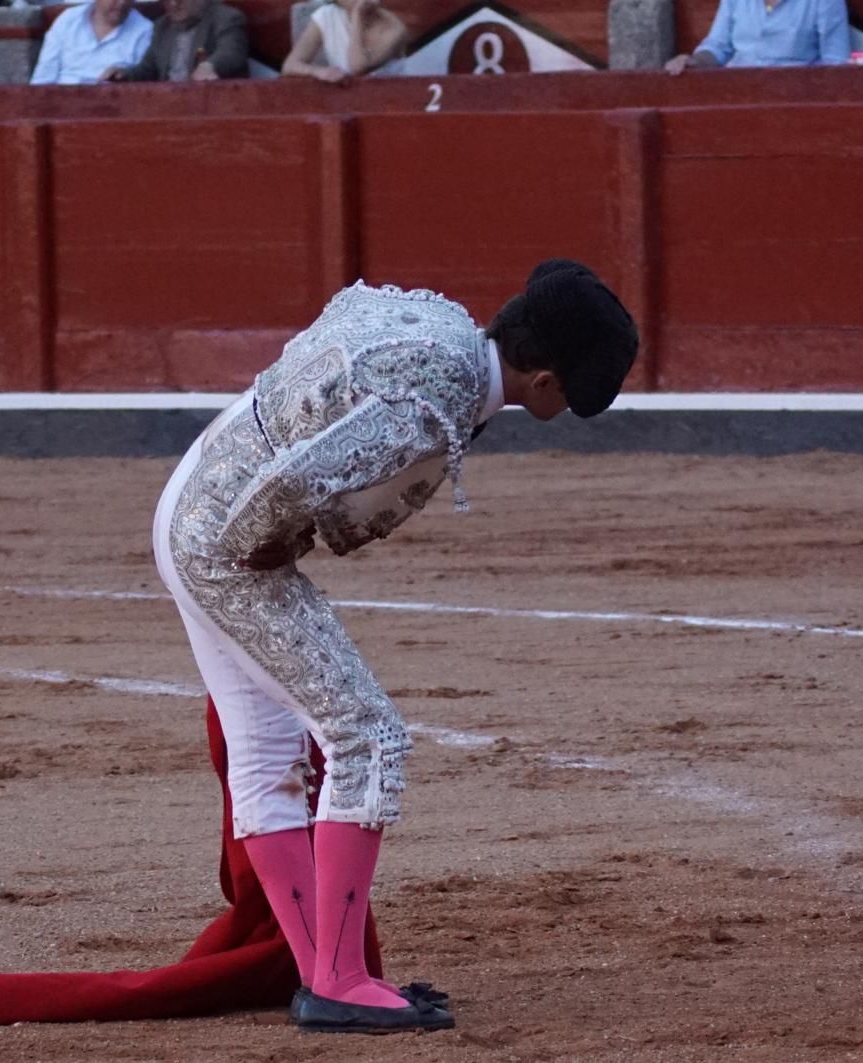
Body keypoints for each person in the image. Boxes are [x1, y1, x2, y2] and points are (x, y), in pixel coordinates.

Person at [151, 261, 639, 1033]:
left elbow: (336, 321)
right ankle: (339, 980)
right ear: (545, 382)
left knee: (267, 753)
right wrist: (256, 545)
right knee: (365, 734)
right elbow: (294, 480)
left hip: (196, 494)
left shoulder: (445, 329)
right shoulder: (434, 395)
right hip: (225, 539)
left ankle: (323, 971)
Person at [666, 0, 849, 72]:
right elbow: (717, 46)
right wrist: (695, 61)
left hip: (796, 100)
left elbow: (836, 64)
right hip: (739, 95)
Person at [101, 0, 247, 82]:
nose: (173, 4)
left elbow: (231, 52)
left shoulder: (225, 17)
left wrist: (210, 66)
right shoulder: (163, 26)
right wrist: (124, 75)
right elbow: (148, 68)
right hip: (171, 105)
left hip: (211, 107)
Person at [282, 0, 408, 83]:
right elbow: (290, 65)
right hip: (344, 100)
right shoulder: (326, 16)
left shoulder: (395, 29)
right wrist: (319, 72)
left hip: (386, 103)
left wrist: (357, 17)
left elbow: (357, 68)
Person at [31, 0, 152, 85]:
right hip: (62, 106)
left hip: (111, 110)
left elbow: (142, 86)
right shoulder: (68, 20)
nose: (122, 3)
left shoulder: (144, 30)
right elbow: (43, 79)